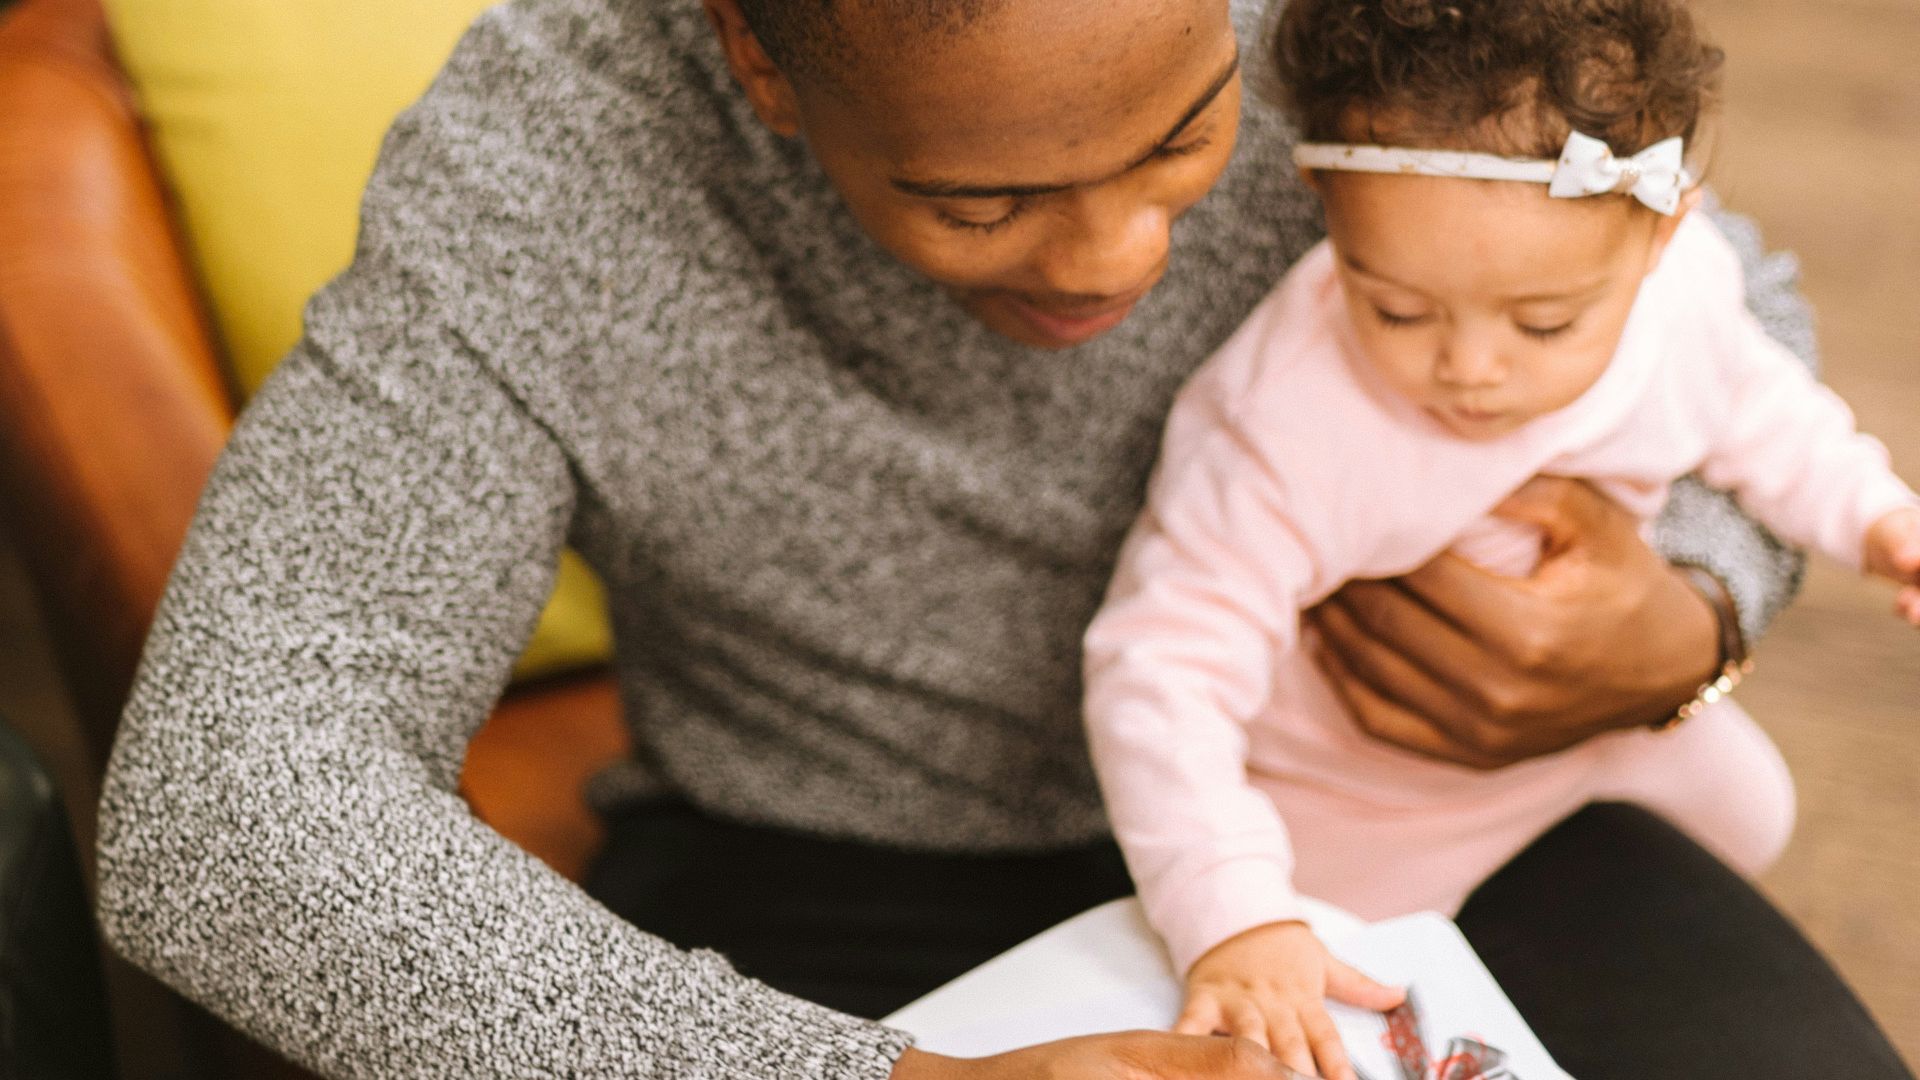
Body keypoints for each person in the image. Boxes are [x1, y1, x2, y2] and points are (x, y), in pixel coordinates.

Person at [89, 0, 1913, 1077]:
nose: (1119, 257)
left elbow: (1693, 281)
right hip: (829, 873)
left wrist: (1696, 613)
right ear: (758, 58)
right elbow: (220, 813)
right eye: (979, 196)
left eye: (1192, 133)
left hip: (1408, 804)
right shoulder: (547, 161)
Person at [1079, 1, 1920, 1076]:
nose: (1471, 369)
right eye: (1396, 309)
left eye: (1543, 324)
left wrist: (1878, 515)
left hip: (1595, 722)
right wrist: (1236, 911)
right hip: (1353, 797)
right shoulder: (1278, 419)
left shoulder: (1688, 291)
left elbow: (1765, 410)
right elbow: (1159, 666)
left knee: (1755, 813)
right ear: (1326, 211)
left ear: (1664, 232)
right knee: (1339, 1022)